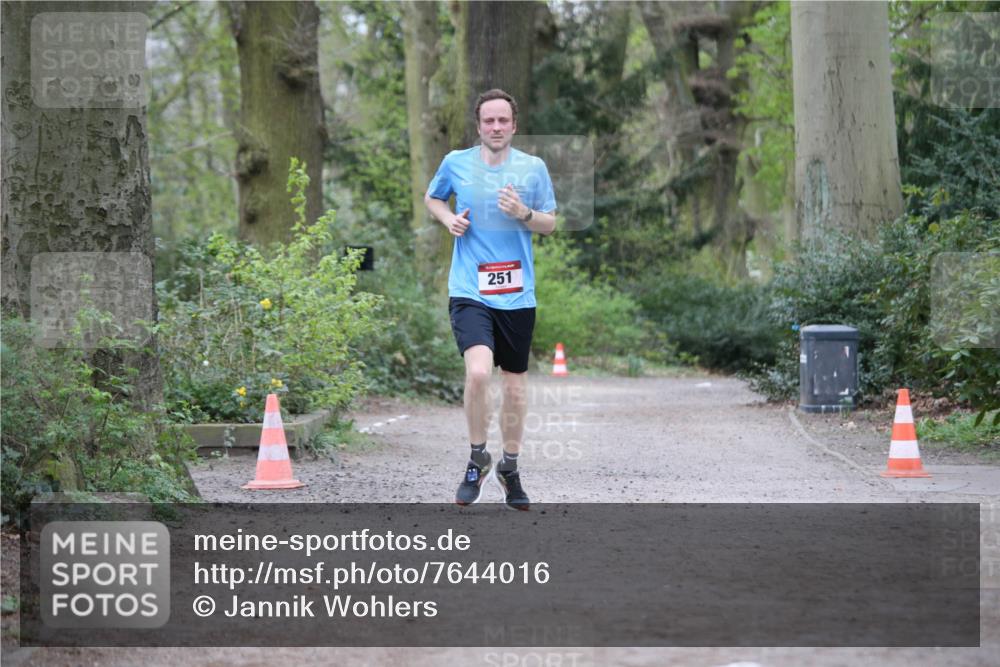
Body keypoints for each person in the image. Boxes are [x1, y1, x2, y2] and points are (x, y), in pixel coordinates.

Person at [424, 88, 557, 510]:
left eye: (503, 120)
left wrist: (524, 214)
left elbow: (550, 223)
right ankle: (478, 456)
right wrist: (448, 219)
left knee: (515, 387)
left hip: (517, 294)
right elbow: (433, 197)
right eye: (488, 121)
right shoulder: (455, 163)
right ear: (478, 126)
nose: (496, 127)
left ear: (514, 125)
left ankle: (510, 467)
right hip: (469, 289)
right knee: (479, 373)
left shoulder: (533, 169)